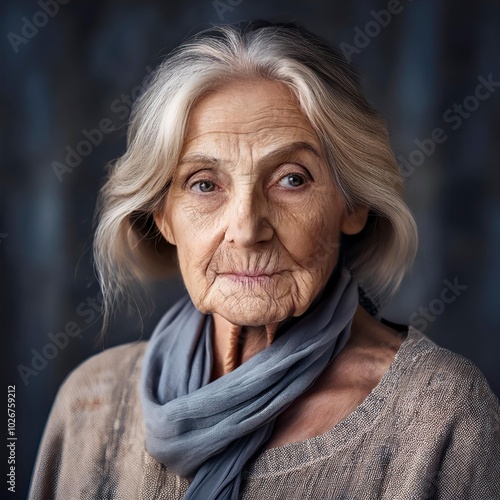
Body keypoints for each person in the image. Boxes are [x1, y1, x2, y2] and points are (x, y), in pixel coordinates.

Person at [29, 21, 499, 499]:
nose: (248, 229)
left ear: (353, 204)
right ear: (164, 216)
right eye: (205, 184)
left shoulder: (439, 414)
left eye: (292, 179)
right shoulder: (91, 403)